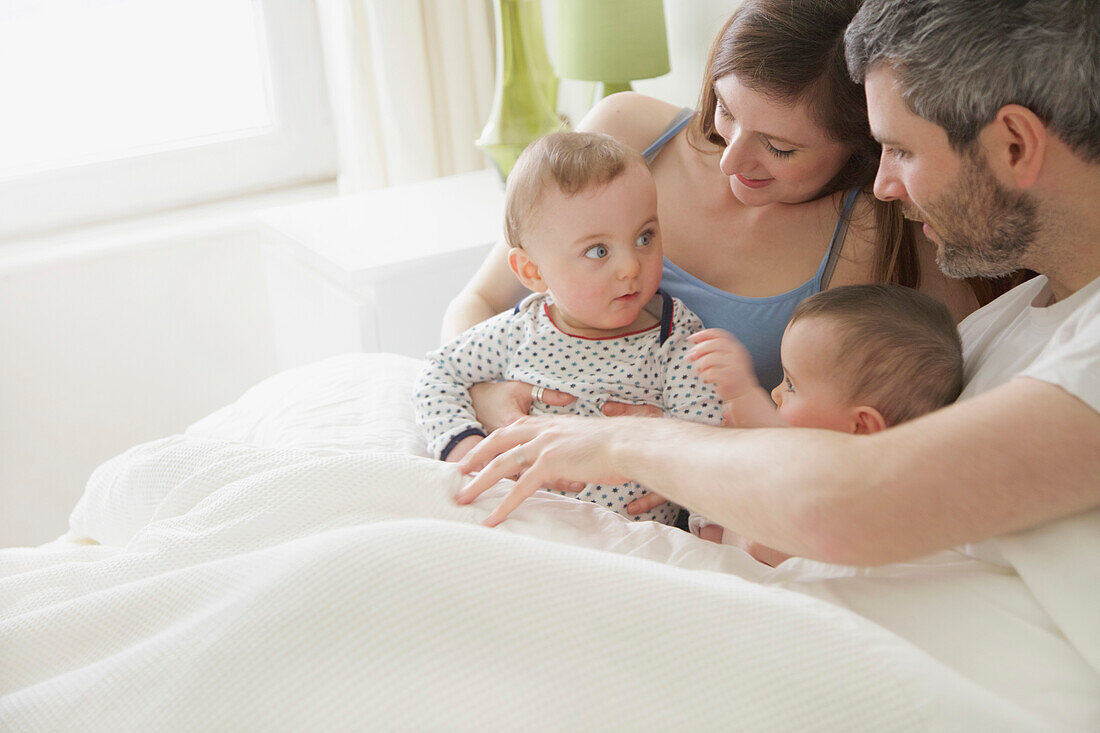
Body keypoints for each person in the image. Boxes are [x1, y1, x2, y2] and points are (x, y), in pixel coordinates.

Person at [453, 0, 1100, 568]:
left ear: (1015, 144)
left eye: (900, 150)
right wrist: (485, 393)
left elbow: (841, 496)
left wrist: (626, 443)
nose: (885, 186)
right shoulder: (1013, 317)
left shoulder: (912, 266)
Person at [415, 131, 722, 525]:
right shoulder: (520, 330)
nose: (631, 266)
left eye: (644, 237)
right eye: (599, 251)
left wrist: (705, 522)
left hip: (635, 542)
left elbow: (707, 437)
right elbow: (437, 374)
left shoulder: (674, 338)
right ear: (533, 271)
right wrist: (468, 451)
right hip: (521, 521)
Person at [687, 284, 963, 564]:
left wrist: (744, 396)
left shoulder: (862, 498)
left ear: (861, 427)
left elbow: (783, 465)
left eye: (792, 384)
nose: (775, 393)